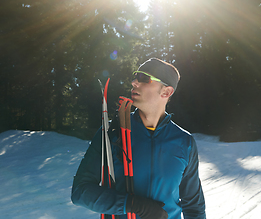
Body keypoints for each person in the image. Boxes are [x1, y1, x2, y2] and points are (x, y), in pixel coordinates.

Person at [71, 58, 206, 219]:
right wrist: (133, 205)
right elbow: (80, 191)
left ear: (166, 92)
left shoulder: (184, 142)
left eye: (144, 78)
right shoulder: (111, 132)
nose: (134, 82)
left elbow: (194, 206)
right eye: (135, 76)